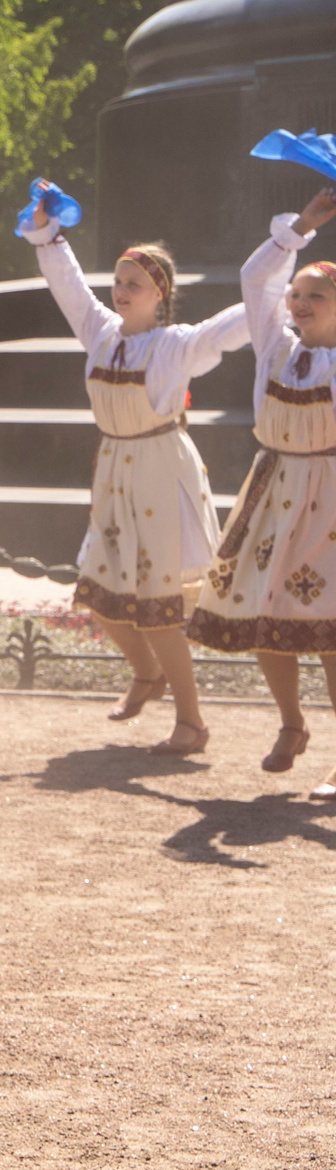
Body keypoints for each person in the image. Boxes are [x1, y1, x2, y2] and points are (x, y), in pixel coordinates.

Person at [26, 183, 258, 754]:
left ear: (160, 294)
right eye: (120, 281)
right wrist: (49, 234)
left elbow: (231, 329)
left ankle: (192, 721)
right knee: (98, 592)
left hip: (160, 469)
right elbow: (70, 288)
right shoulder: (101, 333)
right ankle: (146, 675)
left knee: (158, 609)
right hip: (114, 468)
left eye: (135, 283)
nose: (122, 290)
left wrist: (271, 295)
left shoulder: (176, 346)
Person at [185, 186, 336, 793]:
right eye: (295, 295)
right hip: (275, 489)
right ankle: (292, 724)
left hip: (329, 495)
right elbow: (256, 278)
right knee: (266, 611)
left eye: (314, 297)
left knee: (330, 629)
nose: (297, 304)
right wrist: (301, 227)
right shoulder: (275, 346)